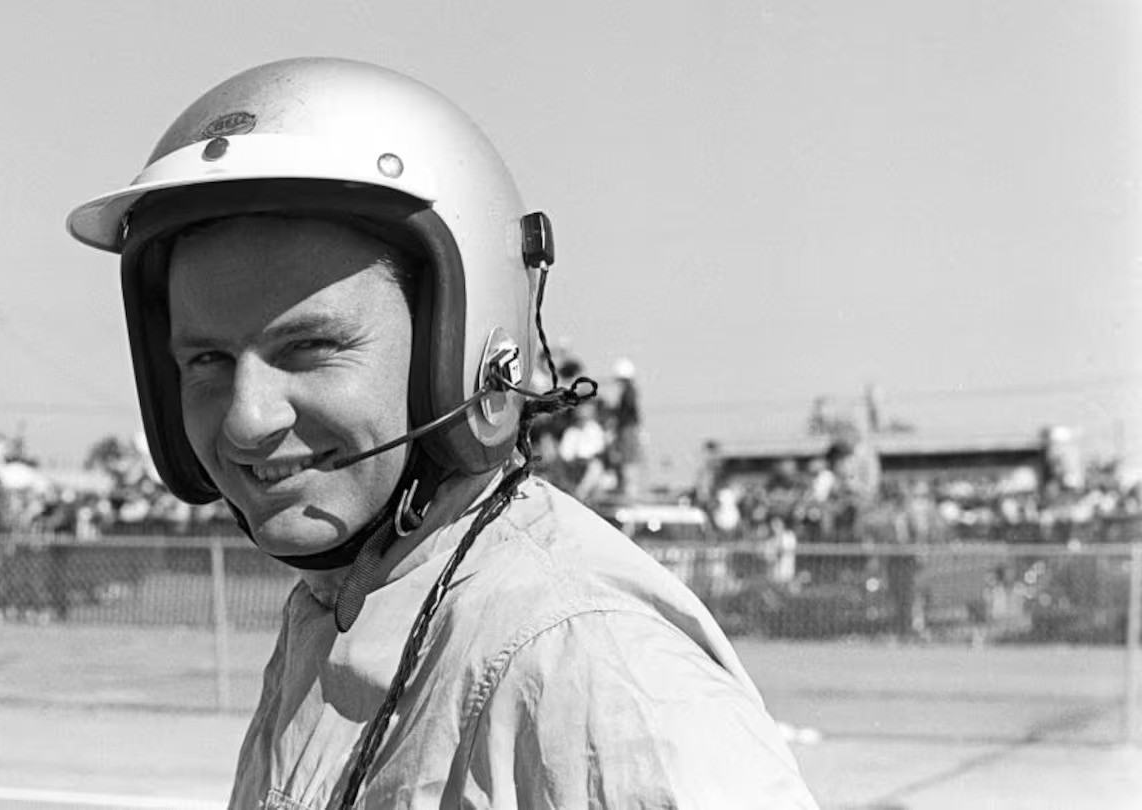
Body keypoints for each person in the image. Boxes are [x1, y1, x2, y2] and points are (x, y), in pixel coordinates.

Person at [67, 57, 816, 809]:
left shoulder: (584, 662)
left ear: (461, 351)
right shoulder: (346, 606)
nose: (246, 418)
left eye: (309, 349)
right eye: (206, 360)